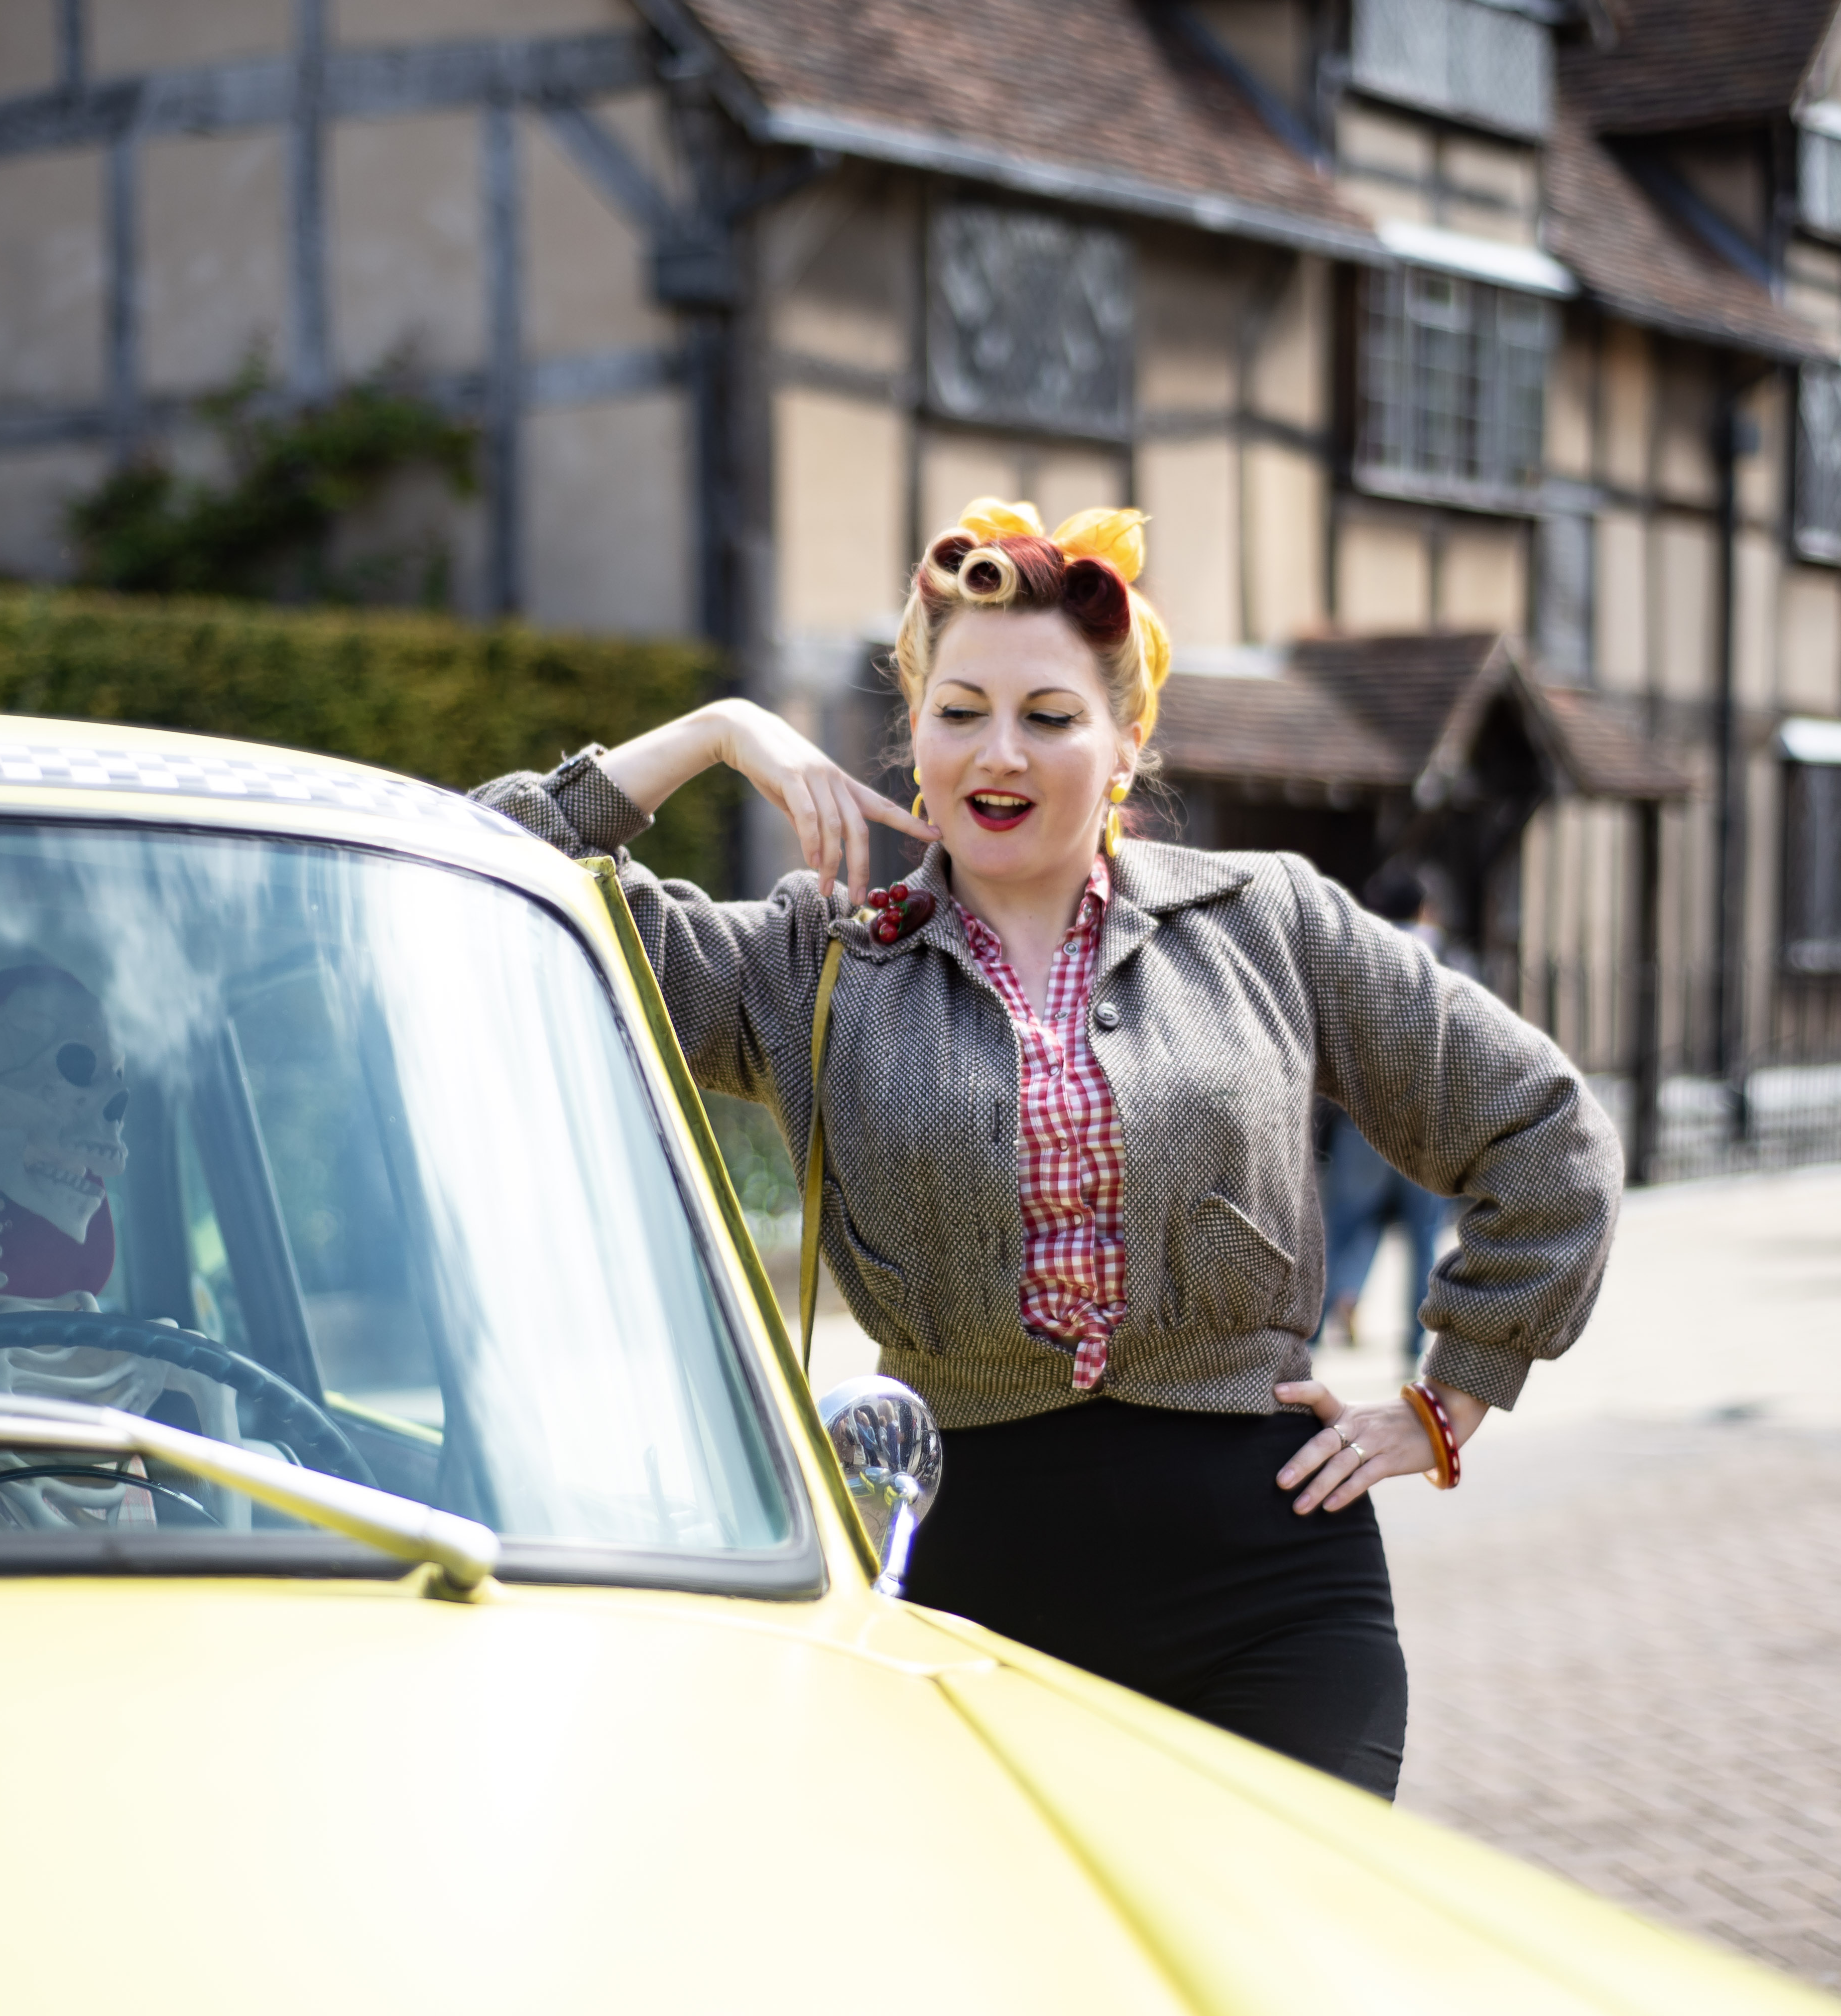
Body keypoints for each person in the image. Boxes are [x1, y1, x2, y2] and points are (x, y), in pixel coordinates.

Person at [470, 499, 1621, 1797]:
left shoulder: (1267, 923)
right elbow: (487, 884)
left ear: (1126, 743)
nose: (999, 752)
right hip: (967, 1612)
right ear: (915, 736)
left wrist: (1448, 1398)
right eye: (960, 710)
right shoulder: (812, 967)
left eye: (1050, 716)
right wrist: (719, 731)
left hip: (1274, 1605)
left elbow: (1546, 1130)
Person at [1315, 865, 1455, 1368]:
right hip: (1428, 1121)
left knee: (1343, 1225)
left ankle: (1312, 1333)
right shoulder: (1448, 962)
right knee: (1424, 1234)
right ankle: (1415, 1344)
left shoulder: (1357, 954)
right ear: (1425, 909)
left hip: (1363, 1118)